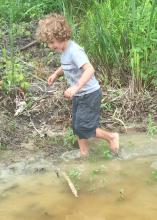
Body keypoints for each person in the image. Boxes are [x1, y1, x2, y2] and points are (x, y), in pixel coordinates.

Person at [36, 13, 119, 157]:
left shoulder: (74, 51)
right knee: (77, 126)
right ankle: (84, 154)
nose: (50, 46)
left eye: (52, 42)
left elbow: (90, 69)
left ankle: (111, 137)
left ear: (61, 36)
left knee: (84, 126)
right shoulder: (64, 51)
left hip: (90, 94)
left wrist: (76, 87)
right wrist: (56, 74)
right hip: (80, 95)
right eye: (48, 43)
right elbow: (66, 66)